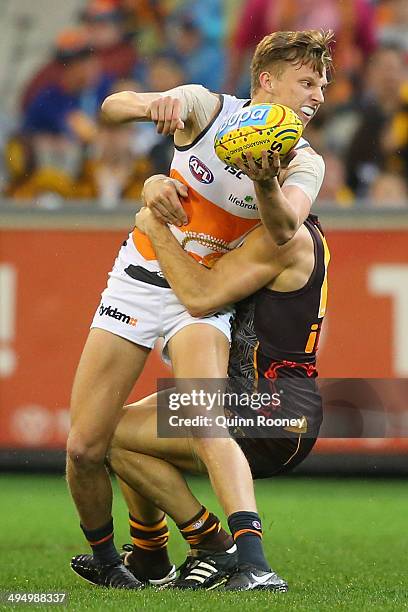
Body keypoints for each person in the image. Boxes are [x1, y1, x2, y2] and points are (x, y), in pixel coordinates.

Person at [68, 29, 332, 589]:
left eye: (324, 84)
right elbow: (115, 107)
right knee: (86, 443)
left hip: (202, 297)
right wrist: (152, 103)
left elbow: (286, 227)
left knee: (202, 416)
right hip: (137, 282)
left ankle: (241, 553)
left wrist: (262, 180)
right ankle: (128, 560)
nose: (319, 95)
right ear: (267, 80)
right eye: (307, 81)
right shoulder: (207, 110)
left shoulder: (305, 161)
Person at [102, 172, 328, 590]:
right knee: (109, 429)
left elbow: (199, 296)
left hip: (270, 411)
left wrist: (155, 227)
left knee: (112, 437)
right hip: (262, 399)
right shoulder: (279, 232)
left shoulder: (284, 240)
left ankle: (219, 547)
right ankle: (153, 555)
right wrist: (154, 182)